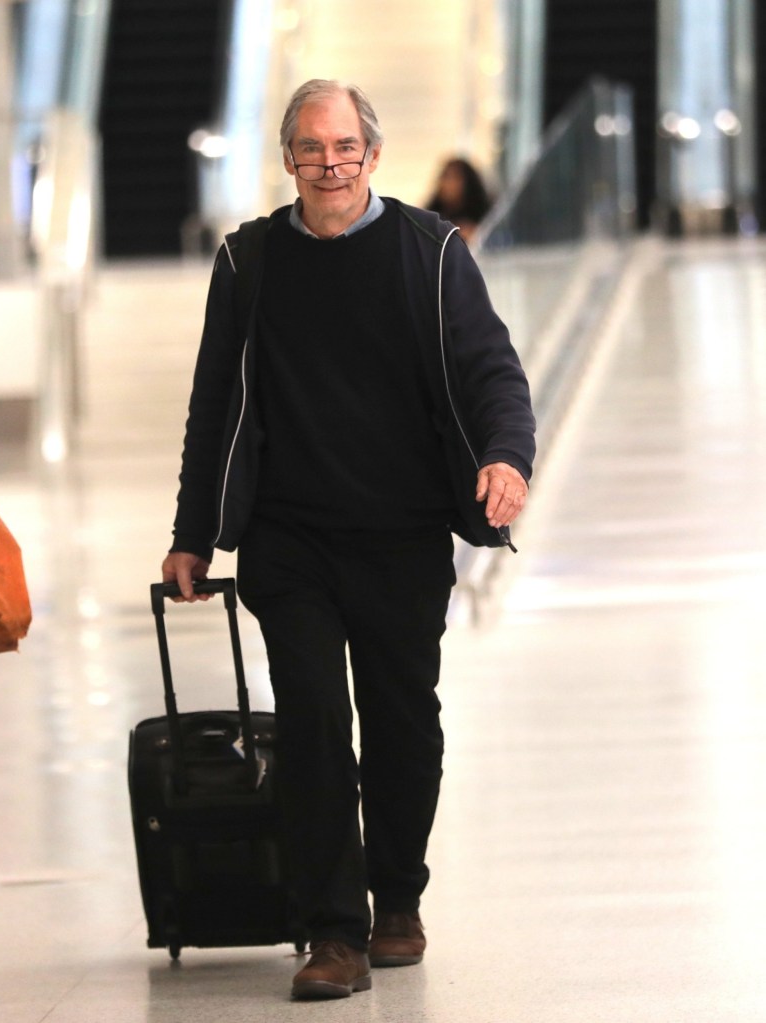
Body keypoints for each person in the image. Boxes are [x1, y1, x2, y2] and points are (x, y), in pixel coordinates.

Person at [162, 79, 535, 1001]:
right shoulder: (249, 263)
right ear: (286, 158)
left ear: (372, 155)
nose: (329, 163)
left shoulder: (431, 252)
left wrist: (505, 456)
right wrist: (191, 535)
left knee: (403, 721)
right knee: (317, 723)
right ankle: (332, 930)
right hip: (289, 541)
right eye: (310, 147)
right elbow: (214, 404)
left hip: (402, 534)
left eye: (345, 147)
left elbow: (492, 370)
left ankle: (396, 898)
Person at [425, 156, 493, 243]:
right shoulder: (431, 217)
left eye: (455, 178)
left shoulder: (486, 216)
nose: (448, 184)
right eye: (446, 176)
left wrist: (476, 234)